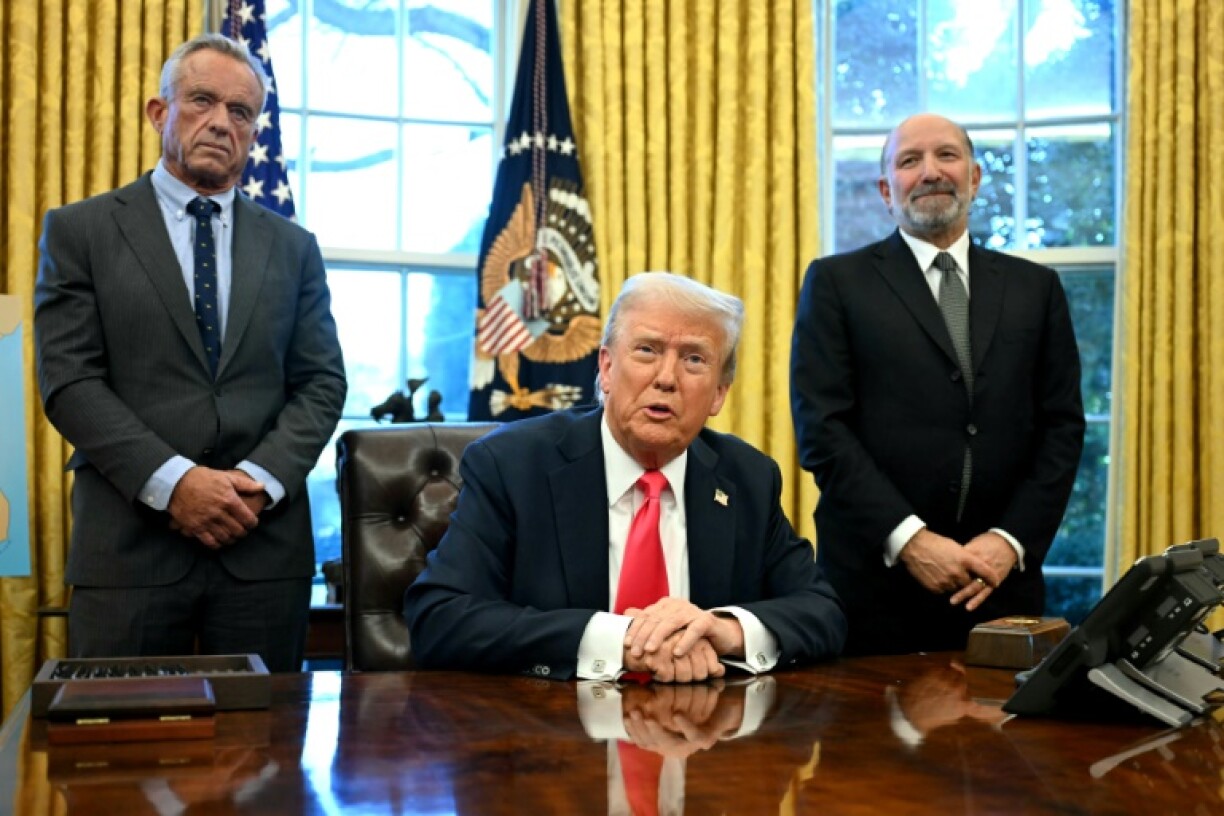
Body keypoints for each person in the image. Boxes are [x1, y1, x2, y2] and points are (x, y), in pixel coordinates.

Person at [34, 33, 346, 671]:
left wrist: (254, 484)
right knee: (117, 758)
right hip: (130, 547)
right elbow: (69, 380)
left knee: (264, 760)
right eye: (202, 100)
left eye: (240, 112)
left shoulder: (294, 247)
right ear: (159, 112)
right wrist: (175, 484)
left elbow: (322, 383)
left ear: (254, 131)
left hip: (263, 548)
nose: (221, 123)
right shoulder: (81, 231)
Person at [406, 271, 846, 682]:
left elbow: (821, 610)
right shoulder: (513, 465)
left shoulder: (746, 478)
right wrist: (617, 641)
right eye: (647, 350)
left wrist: (723, 629)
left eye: (694, 359)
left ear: (718, 394)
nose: (666, 378)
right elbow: (441, 616)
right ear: (607, 367)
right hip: (553, 740)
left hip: (703, 744)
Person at [789, 113, 1085, 655]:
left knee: (1009, 739)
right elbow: (821, 431)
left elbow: (1062, 429)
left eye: (946, 156)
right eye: (909, 161)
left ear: (974, 177)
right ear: (885, 189)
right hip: (873, 594)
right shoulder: (836, 283)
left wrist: (1008, 541)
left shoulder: (1036, 289)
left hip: (1000, 588)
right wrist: (912, 541)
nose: (930, 172)